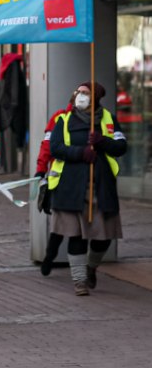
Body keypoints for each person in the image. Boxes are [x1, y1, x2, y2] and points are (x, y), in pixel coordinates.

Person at [48, 82, 127, 296]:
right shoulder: (63, 120)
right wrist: (79, 152)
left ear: (96, 98)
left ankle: (91, 267)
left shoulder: (108, 118)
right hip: (71, 187)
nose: (80, 96)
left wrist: (102, 142)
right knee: (76, 236)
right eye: (79, 92)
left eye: (85, 93)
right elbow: (54, 148)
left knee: (103, 237)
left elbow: (121, 147)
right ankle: (79, 281)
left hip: (101, 186)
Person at [35, 92, 75, 276]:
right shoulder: (60, 117)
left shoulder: (97, 119)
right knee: (59, 223)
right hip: (60, 179)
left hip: (87, 179)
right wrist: (41, 169)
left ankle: (82, 268)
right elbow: (47, 145)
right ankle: (50, 257)